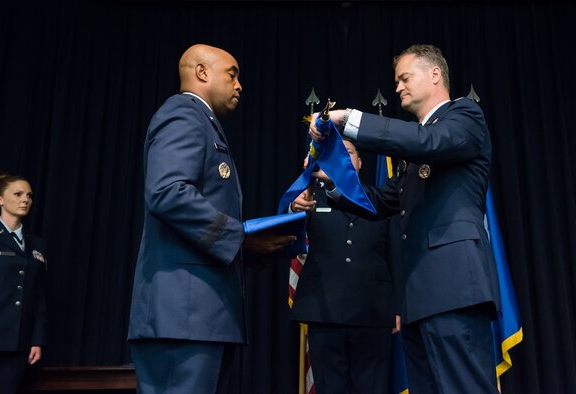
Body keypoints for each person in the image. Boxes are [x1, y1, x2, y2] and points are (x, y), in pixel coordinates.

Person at [309, 44, 501, 393]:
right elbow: (381, 201)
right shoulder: (415, 154)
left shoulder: (465, 116)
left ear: (434, 74)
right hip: (418, 299)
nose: (397, 87)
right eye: (396, 81)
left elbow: (428, 141)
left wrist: (349, 118)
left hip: (454, 289)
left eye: (404, 78)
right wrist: (333, 182)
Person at [127, 44, 295, 393]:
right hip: (182, 317)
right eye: (232, 75)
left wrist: (250, 249)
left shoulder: (204, 124)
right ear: (202, 73)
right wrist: (240, 238)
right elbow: (167, 192)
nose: (240, 86)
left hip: (202, 318)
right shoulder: (183, 115)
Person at [288, 137, 401, 393]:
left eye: (348, 152)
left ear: (359, 163)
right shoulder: (309, 197)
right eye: (337, 153)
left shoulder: (381, 201)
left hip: (373, 312)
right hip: (324, 310)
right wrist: (295, 210)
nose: (343, 157)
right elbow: (287, 237)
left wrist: (398, 307)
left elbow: (395, 254)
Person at [0, 172, 47, 394]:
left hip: (19, 341)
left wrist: (37, 340)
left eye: (29, 195)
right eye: (17, 194)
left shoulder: (37, 244)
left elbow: (39, 296)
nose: (25, 199)